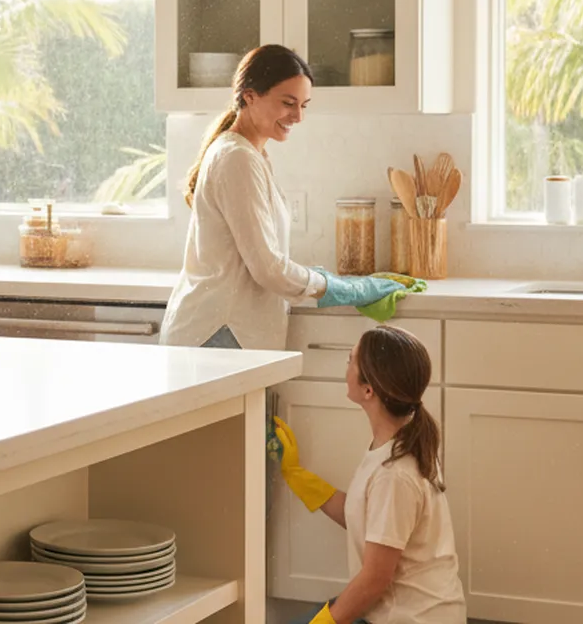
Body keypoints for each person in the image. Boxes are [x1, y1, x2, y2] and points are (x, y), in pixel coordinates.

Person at [159, 44, 403, 350]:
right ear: (249, 96)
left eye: (304, 105)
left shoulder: (248, 153)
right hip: (220, 331)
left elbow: (260, 258)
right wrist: (343, 288)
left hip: (223, 329)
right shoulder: (238, 158)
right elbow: (268, 269)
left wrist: (320, 279)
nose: (298, 116)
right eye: (288, 103)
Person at [275, 325, 466, 624]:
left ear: (368, 390)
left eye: (351, 359)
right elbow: (370, 518)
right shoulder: (399, 442)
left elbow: (375, 580)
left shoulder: (395, 474)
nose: (346, 366)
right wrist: (298, 476)